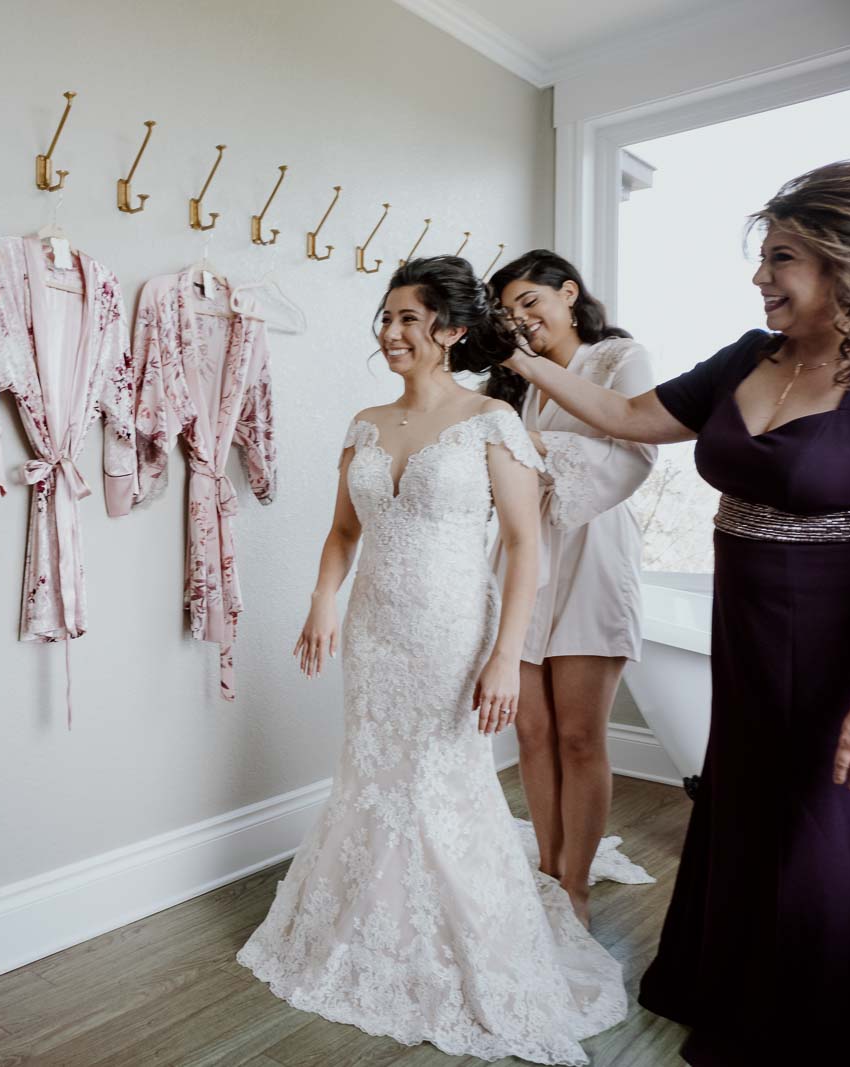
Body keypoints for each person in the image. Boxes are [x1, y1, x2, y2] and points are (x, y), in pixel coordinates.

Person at [499, 160, 850, 1066]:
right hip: (744, 619)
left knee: (822, 832)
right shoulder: (749, 355)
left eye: (781, 258)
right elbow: (627, 415)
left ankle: (817, 1026)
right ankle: (729, 984)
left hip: (843, 637)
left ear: (847, 262)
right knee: (744, 801)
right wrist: (508, 352)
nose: (760, 278)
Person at [238, 256, 627, 1064]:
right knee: (375, 772)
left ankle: (470, 942)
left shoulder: (494, 420)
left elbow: (526, 549)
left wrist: (503, 656)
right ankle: (367, 930)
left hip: (456, 632)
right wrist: (321, 601)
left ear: (451, 330)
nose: (391, 333)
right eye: (385, 318)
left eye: (409, 319)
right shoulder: (365, 423)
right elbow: (344, 531)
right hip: (378, 631)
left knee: (445, 780)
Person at [485, 250, 658, 926]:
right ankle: (548, 870)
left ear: (568, 293)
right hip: (528, 550)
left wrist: (536, 446)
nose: (523, 319)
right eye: (510, 311)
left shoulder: (619, 359)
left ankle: (576, 885)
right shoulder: (519, 383)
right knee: (531, 727)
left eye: (532, 301)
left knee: (581, 735)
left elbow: (638, 453)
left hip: (593, 549)